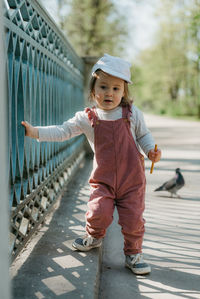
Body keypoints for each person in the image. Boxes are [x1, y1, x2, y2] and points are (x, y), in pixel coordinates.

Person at [21, 53, 161, 275]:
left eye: (116, 88)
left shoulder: (132, 114)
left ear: (124, 91)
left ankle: (133, 253)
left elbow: (144, 136)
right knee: (98, 212)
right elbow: (63, 131)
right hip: (103, 179)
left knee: (133, 218)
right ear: (93, 90)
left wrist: (151, 151)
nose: (109, 93)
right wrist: (35, 132)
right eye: (103, 87)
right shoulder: (88, 117)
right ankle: (94, 236)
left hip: (132, 180)